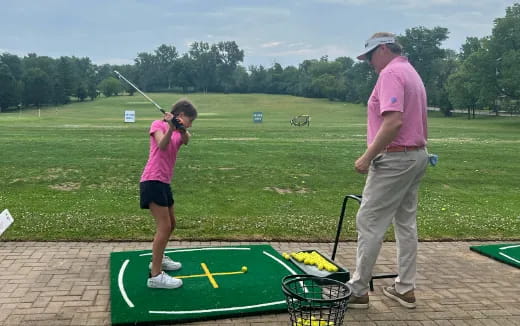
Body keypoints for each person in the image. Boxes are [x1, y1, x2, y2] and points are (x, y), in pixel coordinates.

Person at [347, 32, 429, 309]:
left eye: (370, 55)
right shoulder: (410, 71)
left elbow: (393, 122)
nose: (369, 62)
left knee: (370, 222)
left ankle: (358, 290)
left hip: (394, 160)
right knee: (405, 223)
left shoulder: (391, 74)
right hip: (416, 156)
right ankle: (404, 288)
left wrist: (367, 157)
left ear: (383, 49)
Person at [140, 98, 197, 289]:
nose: (190, 124)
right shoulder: (157, 125)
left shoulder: (181, 131)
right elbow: (161, 145)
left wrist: (180, 128)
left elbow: (187, 140)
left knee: (171, 224)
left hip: (164, 182)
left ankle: (160, 259)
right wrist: (170, 127)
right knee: (164, 227)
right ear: (181, 115)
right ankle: (155, 275)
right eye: (190, 120)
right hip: (152, 180)